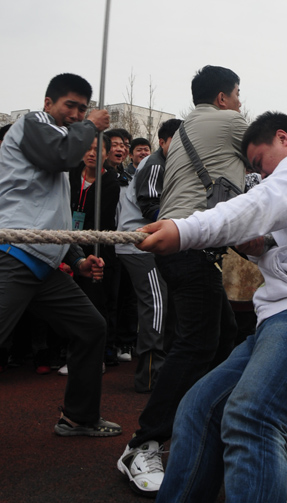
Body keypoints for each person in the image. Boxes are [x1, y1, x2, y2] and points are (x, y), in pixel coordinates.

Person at [137, 111, 287, 503]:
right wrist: (261, 249)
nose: (263, 175)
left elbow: (258, 203)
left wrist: (184, 229)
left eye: (260, 162)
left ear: (283, 138)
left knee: (253, 417)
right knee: (199, 409)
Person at [117, 66, 247, 496]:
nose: (241, 103)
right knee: (196, 344)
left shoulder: (189, 127)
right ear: (223, 98)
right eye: (238, 94)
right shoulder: (226, 122)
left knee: (223, 336)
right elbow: (277, 148)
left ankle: (202, 425)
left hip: (183, 245)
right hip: (189, 246)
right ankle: (143, 444)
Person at [0, 73, 121, 437]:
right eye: (70, 105)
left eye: (83, 108)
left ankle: (79, 418)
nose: (77, 114)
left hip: (44, 266)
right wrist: (91, 125)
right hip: (13, 256)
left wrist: (78, 259)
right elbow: (62, 154)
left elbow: (53, 218)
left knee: (91, 328)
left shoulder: (59, 141)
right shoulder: (33, 123)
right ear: (48, 103)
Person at [115, 118, 182, 392]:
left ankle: (160, 370)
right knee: (156, 305)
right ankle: (150, 376)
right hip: (138, 243)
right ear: (163, 141)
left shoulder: (170, 163)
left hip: (150, 243)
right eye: (177, 141)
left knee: (165, 304)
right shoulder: (154, 164)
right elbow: (150, 205)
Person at [69, 134, 121, 367]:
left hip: (98, 248)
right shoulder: (71, 174)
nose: (91, 153)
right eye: (87, 148)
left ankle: (99, 356)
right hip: (68, 245)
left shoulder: (110, 182)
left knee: (97, 302)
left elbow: (101, 220)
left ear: (106, 154)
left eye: (97, 149)